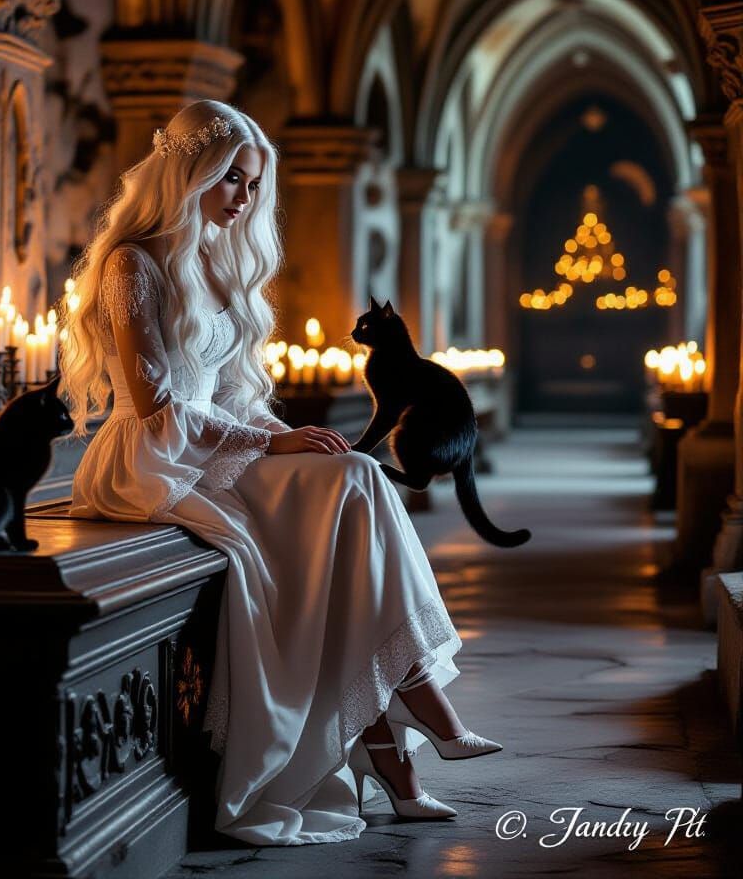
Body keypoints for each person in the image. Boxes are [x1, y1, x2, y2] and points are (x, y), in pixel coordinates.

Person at [59, 99, 502, 846]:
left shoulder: (219, 262)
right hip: (153, 461)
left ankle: (396, 738)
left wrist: (282, 433)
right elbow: (153, 404)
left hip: (214, 450)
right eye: (233, 178)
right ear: (187, 172)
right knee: (351, 488)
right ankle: (413, 715)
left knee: (350, 474)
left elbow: (236, 396)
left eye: (254, 183)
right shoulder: (132, 264)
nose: (244, 197)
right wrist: (267, 447)